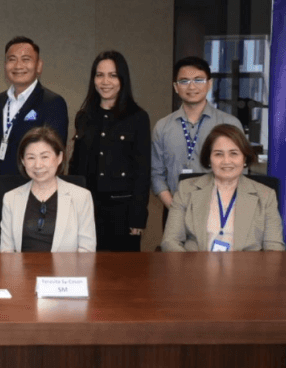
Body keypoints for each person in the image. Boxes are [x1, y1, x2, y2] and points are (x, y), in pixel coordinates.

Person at [69, 51, 151, 252]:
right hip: (87, 211)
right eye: (99, 75)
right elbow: (75, 167)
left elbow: (143, 171)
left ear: (122, 79)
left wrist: (138, 218)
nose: (105, 81)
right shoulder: (84, 116)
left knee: (123, 276)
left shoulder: (138, 118)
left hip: (123, 213)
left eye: (113, 75)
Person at [161, 125, 284, 251]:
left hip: (246, 269)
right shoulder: (186, 189)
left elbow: (274, 248)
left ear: (244, 159)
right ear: (209, 159)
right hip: (196, 267)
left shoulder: (265, 195)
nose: (226, 161)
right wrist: (190, 269)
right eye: (219, 154)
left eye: (234, 153)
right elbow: (170, 241)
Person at [151, 56, 241, 223]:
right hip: (174, 212)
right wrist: (175, 208)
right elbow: (156, 175)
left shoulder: (229, 124)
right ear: (175, 87)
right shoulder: (162, 127)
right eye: (184, 81)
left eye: (198, 80)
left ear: (209, 83)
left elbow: (239, 172)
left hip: (220, 213)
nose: (191, 86)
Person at [0, 127, 96, 253]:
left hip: (65, 271)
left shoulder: (81, 197)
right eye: (31, 158)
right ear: (23, 161)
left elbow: (87, 251)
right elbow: (6, 252)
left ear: (59, 157)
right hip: (22, 271)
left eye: (44, 157)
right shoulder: (11, 198)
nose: (38, 165)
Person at [0, 36, 68, 176]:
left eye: (26, 59)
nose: (18, 65)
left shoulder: (53, 102)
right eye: (12, 59)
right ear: (5, 65)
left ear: (38, 66)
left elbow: (53, 156)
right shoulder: (1, 100)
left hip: (33, 186)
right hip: (1, 184)